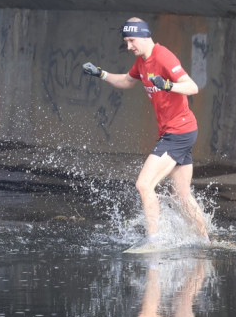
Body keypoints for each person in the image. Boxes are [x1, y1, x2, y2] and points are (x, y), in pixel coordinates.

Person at [82, 17, 208, 245]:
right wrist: (101, 74)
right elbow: (127, 81)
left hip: (178, 132)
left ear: (142, 35)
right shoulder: (142, 61)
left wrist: (168, 85)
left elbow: (192, 86)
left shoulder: (163, 56)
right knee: (182, 195)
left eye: (131, 40)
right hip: (181, 131)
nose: (128, 46)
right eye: (126, 41)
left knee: (144, 184)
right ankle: (204, 240)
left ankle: (153, 240)